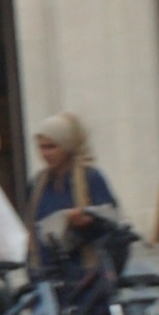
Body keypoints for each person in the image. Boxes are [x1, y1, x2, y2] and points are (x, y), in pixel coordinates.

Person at [26, 113, 126, 299]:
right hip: (48, 277)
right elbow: (33, 232)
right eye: (41, 147)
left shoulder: (90, 178)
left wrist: (87, 222)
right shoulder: (38, 183)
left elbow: (113, 223)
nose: (45, 154)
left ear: (67, 147)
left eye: (51, 147)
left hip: (84, 278)